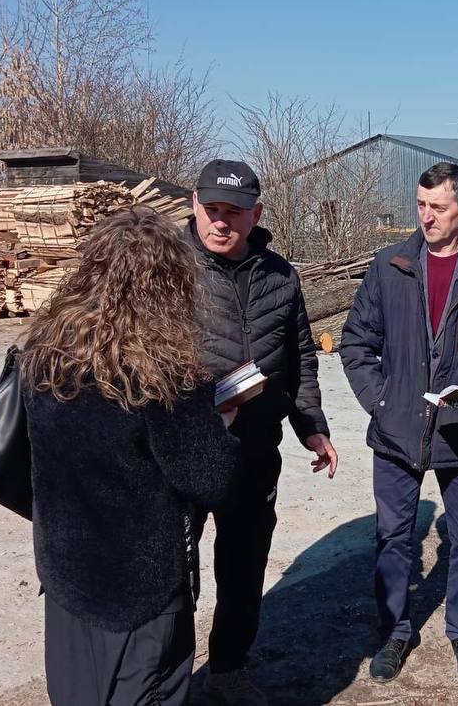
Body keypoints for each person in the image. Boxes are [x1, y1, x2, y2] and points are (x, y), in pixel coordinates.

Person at [21, 205, 242, 706]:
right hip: (142, 587)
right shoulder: (165, 376)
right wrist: (221, 425)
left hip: (67, 571)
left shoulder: (44, 353)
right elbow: (210, 479)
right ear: (172, 285)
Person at [340, 162, 458, 684]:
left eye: (439, 208)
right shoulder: (391, 265)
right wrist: (381, 402)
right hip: (396, 430)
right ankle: (394, 631)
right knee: (392, 535)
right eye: (421, 205)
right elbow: (356, 343)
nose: (426, 217)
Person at [188, 158, 338, 706]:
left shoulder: (280, 274)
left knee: (244, 567)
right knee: (173, 571)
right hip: (183, 449)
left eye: (232, 212)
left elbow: (300, 357)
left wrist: (311, 426)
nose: (220, 221)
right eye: (210, 209)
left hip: (254, 450)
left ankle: (228, 670)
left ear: (255, 214)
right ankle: (166, 678)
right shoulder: (167, 268)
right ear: (193, 206)